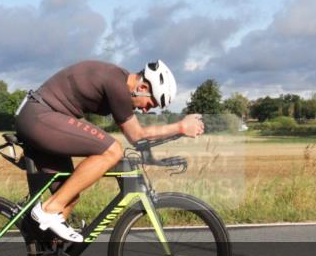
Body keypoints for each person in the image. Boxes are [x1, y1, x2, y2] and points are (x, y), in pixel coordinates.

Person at [14, 59, 204, 242]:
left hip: (43, 118)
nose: (146, 111)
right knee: (112, 151)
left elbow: (139, 140)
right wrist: (180, 127)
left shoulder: (118, 79)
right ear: (143, 88)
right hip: (39, 117)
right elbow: (136, 135)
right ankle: (47, 210)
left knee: (69, 197)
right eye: (150, 104)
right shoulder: (116, 84)